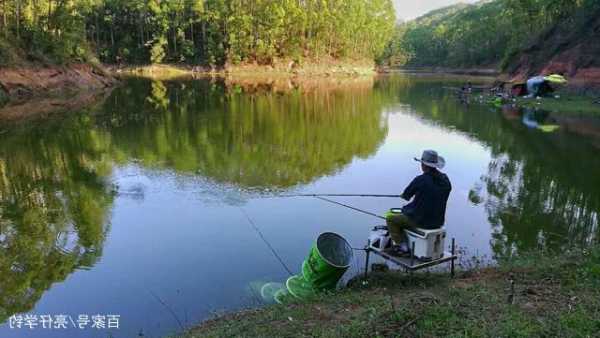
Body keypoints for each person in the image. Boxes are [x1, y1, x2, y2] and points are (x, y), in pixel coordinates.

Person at [386, 150, 452, 254]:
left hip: (421, 221)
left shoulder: (420, 179)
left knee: (391, 219)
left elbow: (406, 196)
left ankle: (401, 246)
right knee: (405, 212)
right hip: (438, 222)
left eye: (421, 163)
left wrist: (403, 195)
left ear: (423, 165)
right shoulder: (445, 180)